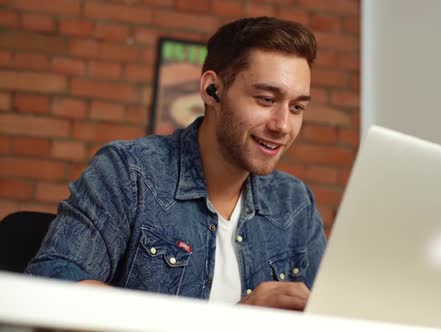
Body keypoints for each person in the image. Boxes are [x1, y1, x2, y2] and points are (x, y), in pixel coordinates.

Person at [26, 17, 327, 312]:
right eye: (266, 99)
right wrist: (231, 322)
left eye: (297, 107)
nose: (283, 125)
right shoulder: (129, 173)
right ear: (213, 90)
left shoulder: (295, 204)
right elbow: (50, 285)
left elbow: (331, 315)